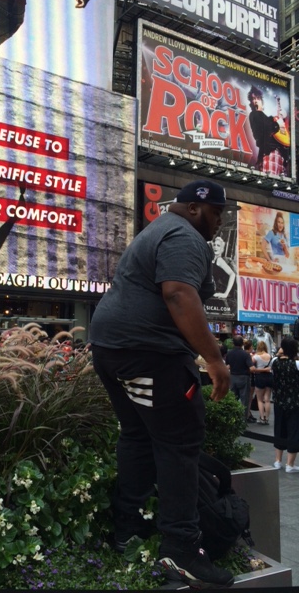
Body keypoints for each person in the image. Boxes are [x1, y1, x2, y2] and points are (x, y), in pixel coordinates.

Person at [90, 179, 234, 589]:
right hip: (148, 352)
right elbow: (178, 295)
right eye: (216, 213)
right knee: (180, 443)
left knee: (137, 436)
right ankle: (182, 550)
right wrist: (214, 358)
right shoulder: (184, 235)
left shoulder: (157, 230)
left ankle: (126, 531)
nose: (220, 222)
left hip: (112, 348)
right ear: (193, 208)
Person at [271, 336, 299, 473]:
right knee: (294, 430)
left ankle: (277, 461)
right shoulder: (297, 364)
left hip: (278, 401)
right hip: (295, 402)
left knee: (279, 429)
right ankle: (290, 464)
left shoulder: (274, 362)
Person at [247, 86, 289, 176]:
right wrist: (277, 123)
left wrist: (280, 121)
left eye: (258, 98)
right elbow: (259, 134)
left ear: (262, 100)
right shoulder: (255, 115)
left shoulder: (269, 118)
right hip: (270, 153)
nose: (255, 101)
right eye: (253, 99)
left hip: (281, 156)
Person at [225, 336, 253, 421]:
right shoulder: (245, 354)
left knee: (233, 399)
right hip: (244, 378)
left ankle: (231, 418)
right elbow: (251, 368)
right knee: (245, 399)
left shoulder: (229, 353)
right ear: (242, 344)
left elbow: (227, 366)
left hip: (233, 377)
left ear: (233, 343)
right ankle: (243, 420)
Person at [251, 341, 273, 425]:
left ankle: (262, 417)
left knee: (259, 399)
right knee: (267, 399)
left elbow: (251, 367)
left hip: (260, 377)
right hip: (269, 377)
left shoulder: (255, 357)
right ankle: (267, 418)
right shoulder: (270, 356)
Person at [211, 236, 236, 302]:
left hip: (221, 290)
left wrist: (225, 294)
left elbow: (232, 274)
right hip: (214, 288)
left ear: (221, 249)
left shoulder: (219, 260)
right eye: (214, 245)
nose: (215, 247)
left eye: (218, 245)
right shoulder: (213, 260)